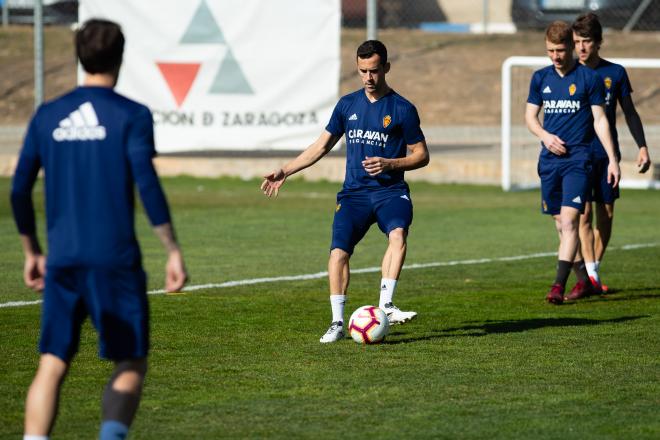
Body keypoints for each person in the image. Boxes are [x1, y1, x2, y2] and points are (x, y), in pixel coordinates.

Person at [10, 19, 187, 440]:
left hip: (64, 259)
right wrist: (172, 249)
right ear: (121, 57)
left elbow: (19, 190)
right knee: (129, 361)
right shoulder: (131, 114)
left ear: (77, 55)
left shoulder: (47, 115)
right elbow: (146, 183)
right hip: (115, 262)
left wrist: (32, 250)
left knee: (52, 362)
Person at [261, 40, 429, 342]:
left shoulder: (403, 109)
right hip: (354, 195)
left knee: (398, 235)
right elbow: (321, 146)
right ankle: (338, 323)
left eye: (374, 71)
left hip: (390, 192)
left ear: (386, 68)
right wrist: (285, 170)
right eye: (363, 71)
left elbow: (421, 155)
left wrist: (392, 163)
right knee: (338, 253)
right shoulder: (347, 105)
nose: (368, 77)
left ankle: (386, 305)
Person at [525, 21, 620, 305]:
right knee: (560, 224)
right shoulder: (540, 78)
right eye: (550, 50)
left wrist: (613, 160)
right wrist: (545, 135)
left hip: (579, 160)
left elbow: (601, 121)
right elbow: (530, 117)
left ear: (570, 46)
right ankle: (583, 280)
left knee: (569, 222)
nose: (555, 55)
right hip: (549, 162)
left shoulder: (588, 79)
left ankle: (557, 286)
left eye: (560, 49)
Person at [572, 13, 652, 293]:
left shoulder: (614, 73)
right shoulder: (568, 73)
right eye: (577, 42)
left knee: (606, 215)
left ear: (599, 42)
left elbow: (629, 112)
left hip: (607, 156)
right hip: (578, 156)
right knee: (582, 216)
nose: (581, 47)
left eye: (587, 41)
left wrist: (642, 146)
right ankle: (590, 278)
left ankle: (592, 272)